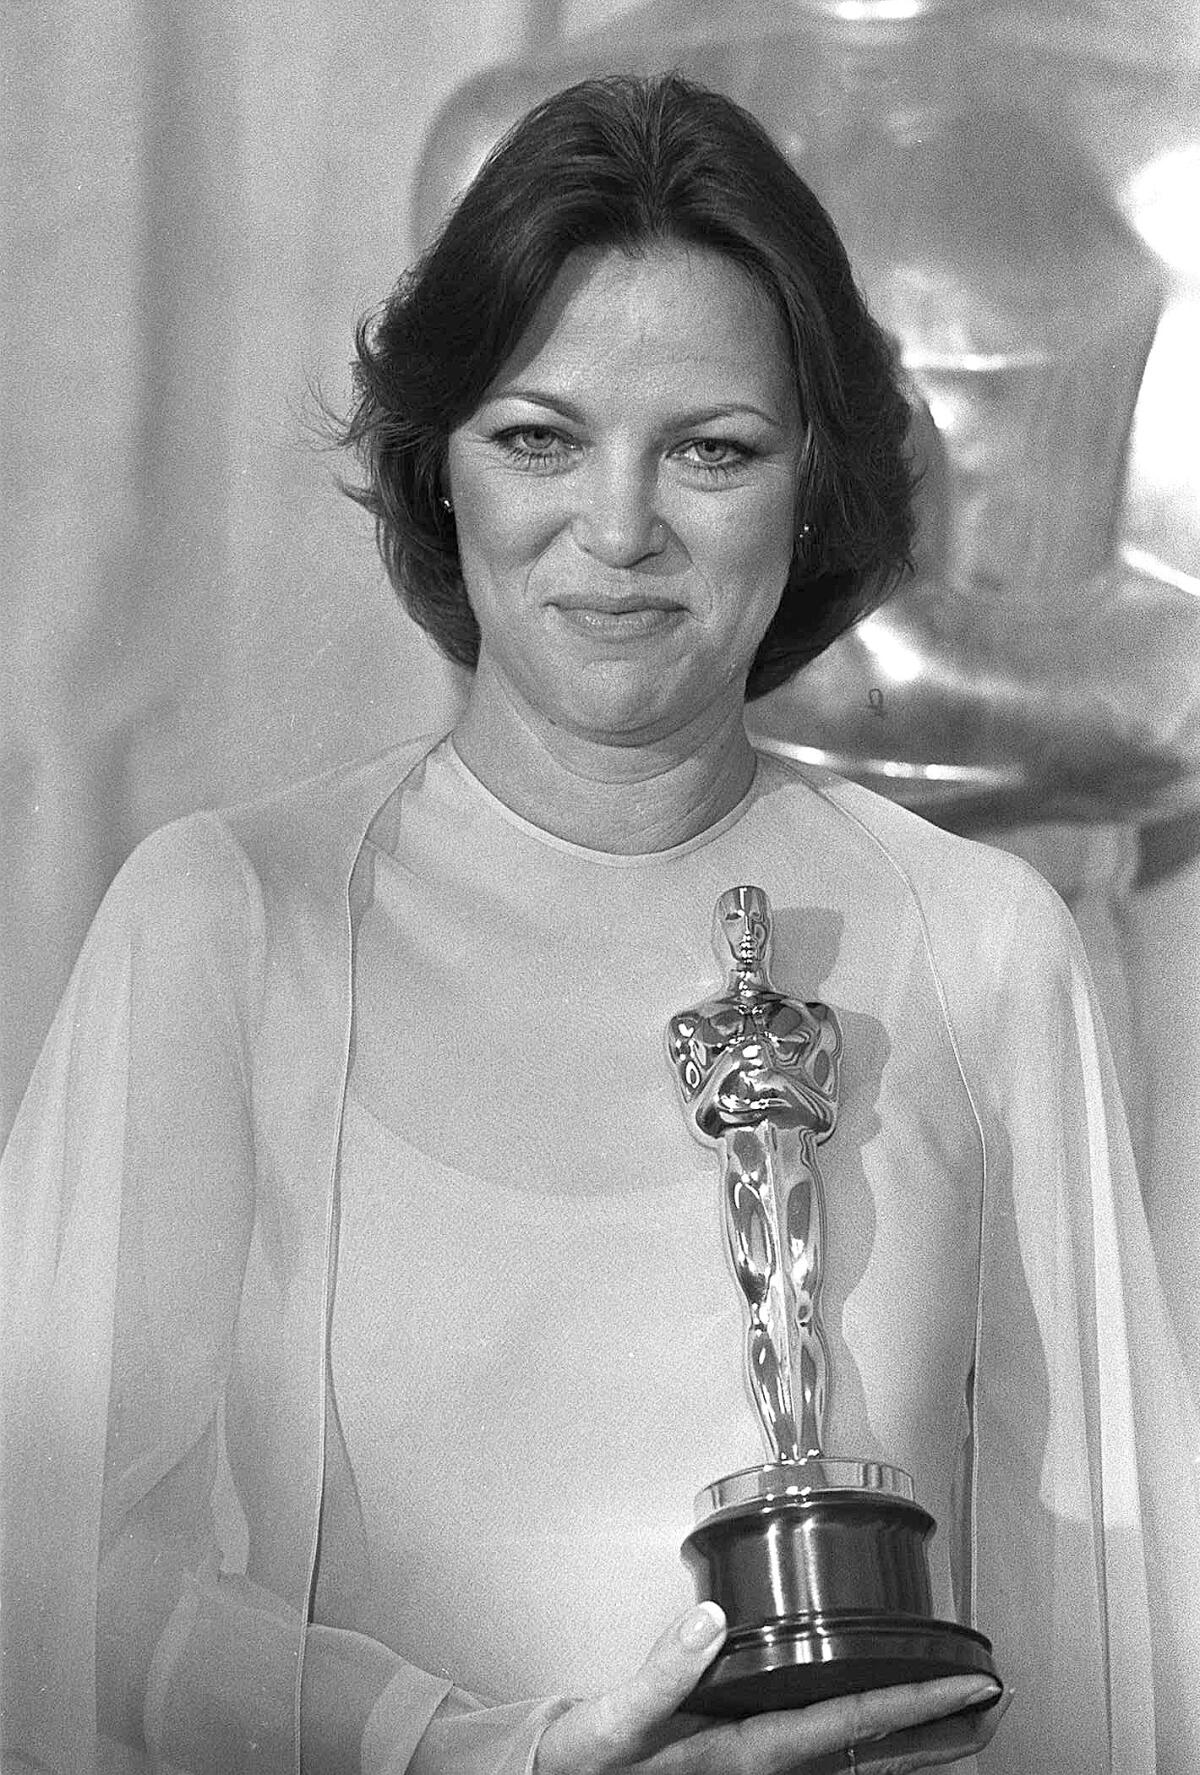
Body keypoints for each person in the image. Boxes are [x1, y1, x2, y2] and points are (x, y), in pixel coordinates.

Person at [2, 70, 1196, 1775]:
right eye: (540, 436)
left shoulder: (988, 946)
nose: (620, 529)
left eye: (711, 450)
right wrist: (472, 1754)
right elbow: (60, 1585)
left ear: (813, 486)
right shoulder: (224, 922)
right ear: (441, 470)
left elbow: (1095, 1638)